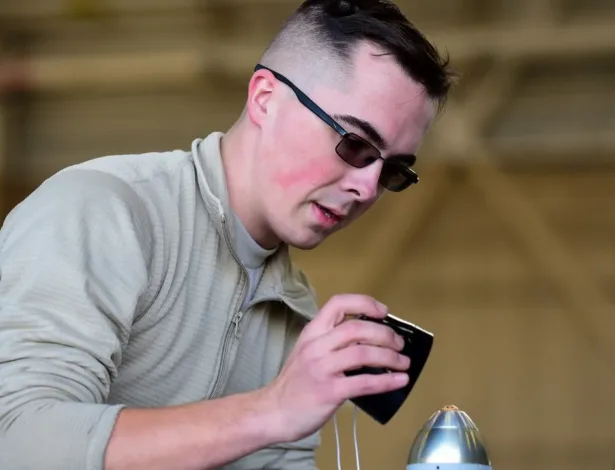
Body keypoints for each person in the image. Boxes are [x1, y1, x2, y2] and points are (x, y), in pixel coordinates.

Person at [0, 0, 457, 469]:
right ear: (265, 98)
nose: (366, 188)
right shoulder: (102, 211)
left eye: (393, 171)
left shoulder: (295, 309)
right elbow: (17, 442)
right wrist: (274, 409)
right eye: (355, 144)